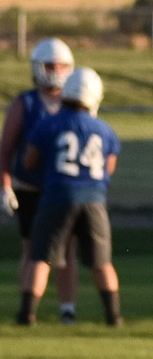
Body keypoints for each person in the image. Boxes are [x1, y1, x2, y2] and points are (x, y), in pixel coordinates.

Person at [16, 67, 123, 327]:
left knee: (41, 257)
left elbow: (29, 161)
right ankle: (113, 316)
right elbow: (109, 167)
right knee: (102, 262)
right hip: (94, 198)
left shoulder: (48, 123)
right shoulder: (104, 129)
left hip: (57, 195)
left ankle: (27, 314)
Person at [1, 37, 80, 321]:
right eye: (50, 65)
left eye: (61, 65)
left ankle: (67, 309)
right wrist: (5, 186)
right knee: (31, 247)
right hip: (31, 187)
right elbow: (6, 148)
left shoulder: (77, 102)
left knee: (66, 249)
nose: (56, 71)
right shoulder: (27, 103)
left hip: (63, 188)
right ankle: (27, 307)